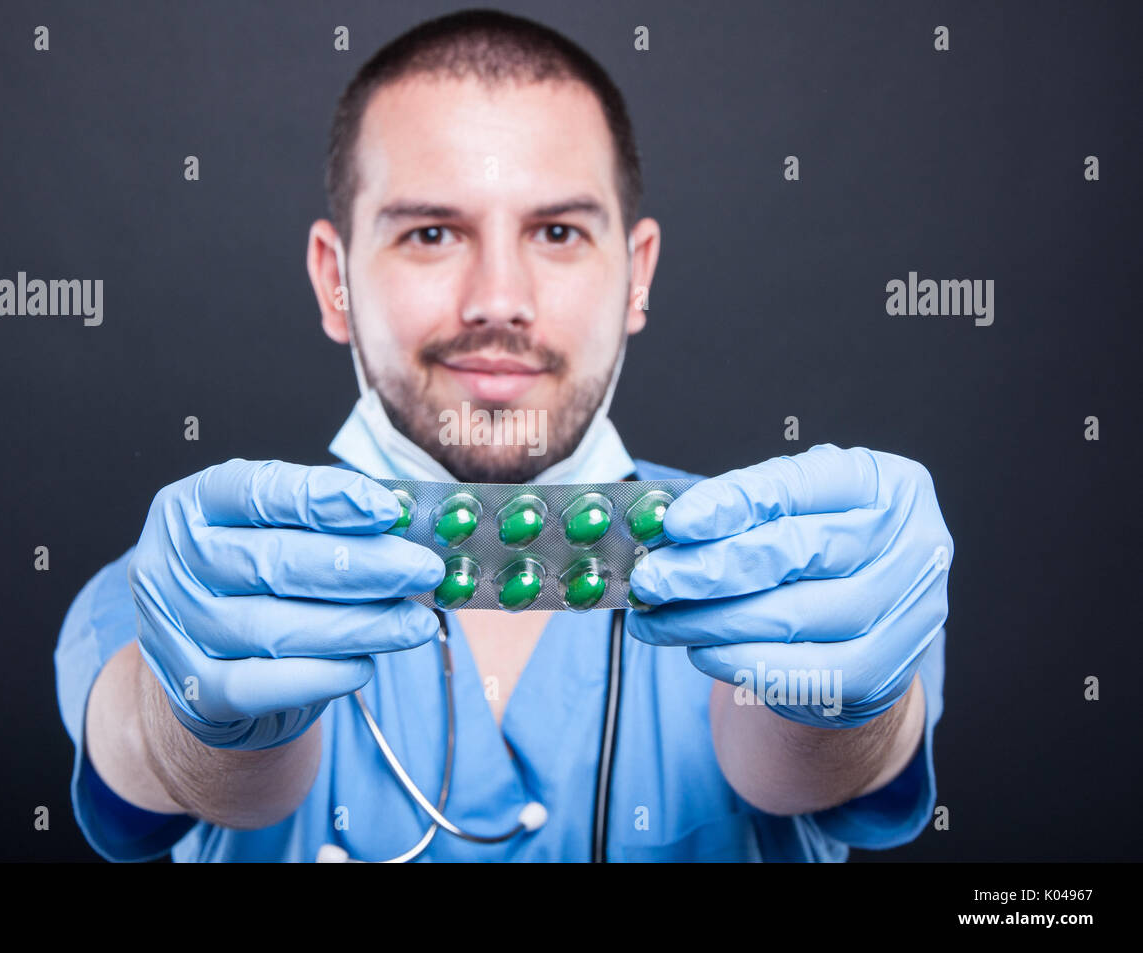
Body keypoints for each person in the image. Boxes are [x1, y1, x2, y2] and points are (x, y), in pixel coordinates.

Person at [54, 9, 951, 862]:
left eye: (557, 231)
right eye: (432, 232)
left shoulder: (800, 570)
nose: (497, 300)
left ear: (636, 275)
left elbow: (811, 762)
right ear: (336, 280)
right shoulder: (193, 583)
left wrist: (843, 703)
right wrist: (196, 723)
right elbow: (165, 755)